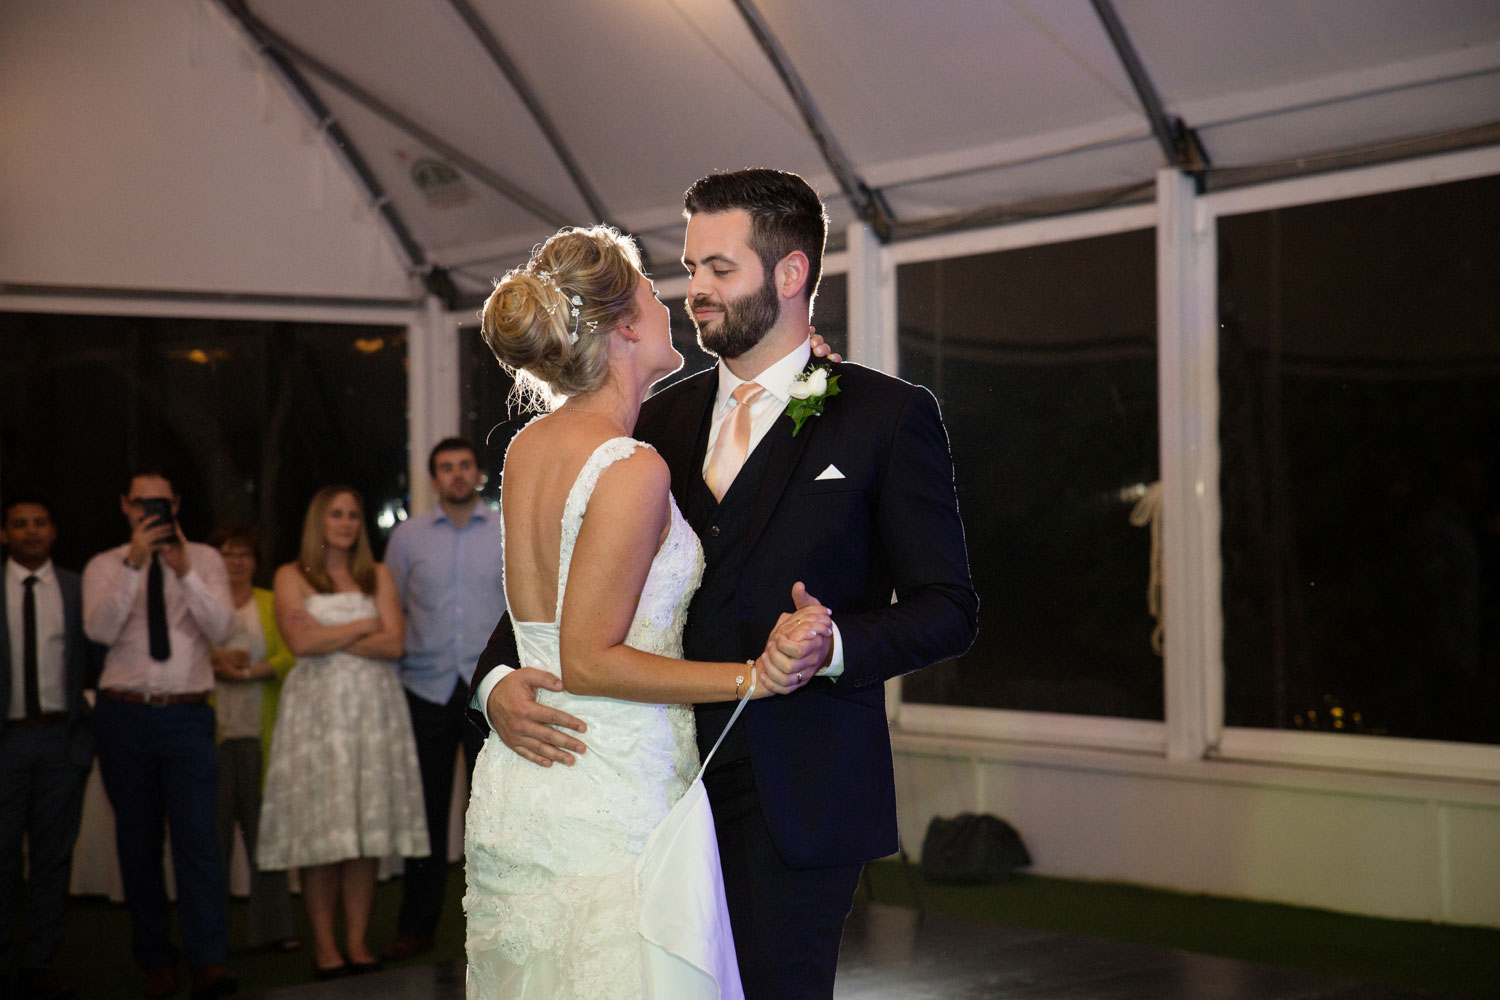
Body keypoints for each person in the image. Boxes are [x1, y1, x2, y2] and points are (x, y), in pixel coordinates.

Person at [473, 169, 978, 999]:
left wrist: (834, 644)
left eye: (718, 269)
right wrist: (496, 683)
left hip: (792, 787)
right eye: (688, 268)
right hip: (646, 784)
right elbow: (568, 586)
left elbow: (949, 609)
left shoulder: (886, 416)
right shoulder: (651, 424)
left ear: (790, 274)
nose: (694, 292)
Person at [462, 224, 831, 999]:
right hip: (613, 791)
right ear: (626, 324)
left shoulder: (530, 446)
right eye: (655, 292)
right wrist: (754, 679)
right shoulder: (629, 466)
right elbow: (590, 656)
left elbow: (548, 631)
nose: (674, 303)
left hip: (532, 789)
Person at [256, 486, 426, 979]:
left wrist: (335, 634)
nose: (347, 522)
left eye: (354, 514)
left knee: (364, 829)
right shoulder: (292, 575)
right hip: (317, 717)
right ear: (318, 521)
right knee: (323, 830)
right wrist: (362, 625)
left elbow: (394, 643)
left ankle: (356, 942)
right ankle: (325, 947)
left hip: (373, 714)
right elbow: (301, 642)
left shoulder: (377, 575)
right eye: (336, 514)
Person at [81, 469, 238, 1000]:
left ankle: (209, 961)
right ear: (126, 506)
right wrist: (135, 564)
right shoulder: (105, 564)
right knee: (138, 841)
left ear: (176, 504)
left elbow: (222, 630)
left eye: (160, 503)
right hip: (124, 715)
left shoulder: (207, 560)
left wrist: (186, 572)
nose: (151, 511)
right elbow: (99, 631)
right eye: (141, 503)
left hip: (188, 716)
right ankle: (155, 959)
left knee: (198, 841)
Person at [380, 438, 502, 963]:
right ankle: (417, 925)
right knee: (424, 813)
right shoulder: (407, 539)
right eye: (445, 468)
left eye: (464, 466)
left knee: (493, 812)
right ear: (433, 480)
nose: (456, 475)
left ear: (477, 474)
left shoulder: (503, 529)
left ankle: (497, 920)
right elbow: (392, 608)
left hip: (487, 691)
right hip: (425, 688)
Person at [0, 497, 95, 1000]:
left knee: (53, 860)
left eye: (40, 523)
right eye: (20, 525)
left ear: (54, 531)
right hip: (7, 740)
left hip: (62, 740)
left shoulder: (78, 589)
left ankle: (39, 963)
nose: (31, 532)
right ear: (4, 534)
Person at [206, 523, 298, 954]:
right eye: (227, 553)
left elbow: (290, 655)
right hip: (213, 736)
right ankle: (212, 932)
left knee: (267, 836)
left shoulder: (269, 602)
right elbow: (187, 655)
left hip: (261, 733)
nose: (235, 561)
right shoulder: (203, 605)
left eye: (243, 554)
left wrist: (248, 672)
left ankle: (274, 930)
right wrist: (216, 664)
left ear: (255, 562)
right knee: (213, 838)